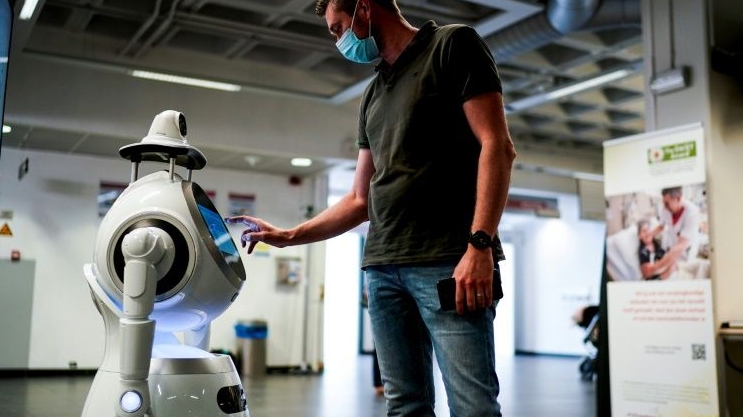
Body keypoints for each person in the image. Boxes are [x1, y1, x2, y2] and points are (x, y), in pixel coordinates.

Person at [228, 1, 515, 416]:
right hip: (383, 269)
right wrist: (289, 236)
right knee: (404, 406)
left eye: (338, 27)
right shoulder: (372, 95)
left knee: (473, 407)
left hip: (447, 263)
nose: (338, 40)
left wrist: (480, 245)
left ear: (364, 8)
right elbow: (359, 199)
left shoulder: (452, 45)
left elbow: (497, 145)